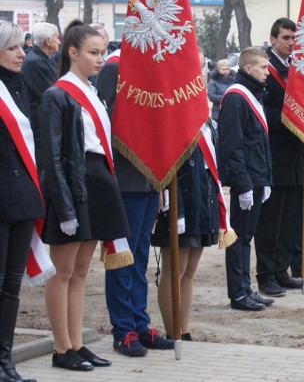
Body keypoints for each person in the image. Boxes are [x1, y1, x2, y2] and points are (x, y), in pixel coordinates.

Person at [40, 20, 131, 370]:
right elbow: (52, 156)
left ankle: (77, 343)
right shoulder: (57, 95)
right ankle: (61, 348)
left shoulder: (92, 92)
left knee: (80, 272)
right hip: (73, 187)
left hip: (96, 183)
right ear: (72, 52)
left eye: (103, 51)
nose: (100, 58)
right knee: (61, 272)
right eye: (93, 52)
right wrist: (64, 207)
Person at [96, 43, 175, 358]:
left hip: (148, 180)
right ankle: (123, 329)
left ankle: (139, 323)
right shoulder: (115, 69)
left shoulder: (156, 73)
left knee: (140, 257)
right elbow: (106, 124)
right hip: (124, 178)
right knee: (122, 258)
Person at [256, 18, 304, 300]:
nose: (291, 43)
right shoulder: (264, 70)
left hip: (296, 155)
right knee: (271, 220)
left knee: (291, 217)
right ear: (272, 40)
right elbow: (262, 112)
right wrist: (292, 118)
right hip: (274, 153)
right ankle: (266, 274)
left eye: (294, 38)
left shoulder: (298, 68)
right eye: (285, 38)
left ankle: (282, 270)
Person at [151, 119, 221, 339]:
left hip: (203, 199)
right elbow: (168, 167)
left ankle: (185, 328)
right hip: (181, 202)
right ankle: (174, 331)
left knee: (189, 272)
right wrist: (176, 207)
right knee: (174, 271)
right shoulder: (177, 117)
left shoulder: (208, 122)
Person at [0, 21, 42, 382]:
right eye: (13, 47)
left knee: (12, 286)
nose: (21, 54)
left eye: (22, 47)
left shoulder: (19, 86)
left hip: (22, 200)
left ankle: (5, 361)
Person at [219, 48, 273, 311]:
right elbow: (233, 146)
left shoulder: (252, 94)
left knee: (247, 237)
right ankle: (238, 293)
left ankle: (246, 288)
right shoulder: (236, 98)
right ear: (249, 69)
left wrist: (265, 179)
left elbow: (258, 142)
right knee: (239, 237)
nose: (267, 72)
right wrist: (243, 185)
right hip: (246, 181)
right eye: (263, 67)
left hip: (256, 178)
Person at [20, 22, 60, 152]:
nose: (59, 42)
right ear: (48, 41)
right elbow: (51, 92)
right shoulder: (35, 62)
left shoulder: (44, 58)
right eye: (57, 37)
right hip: (40, 123)